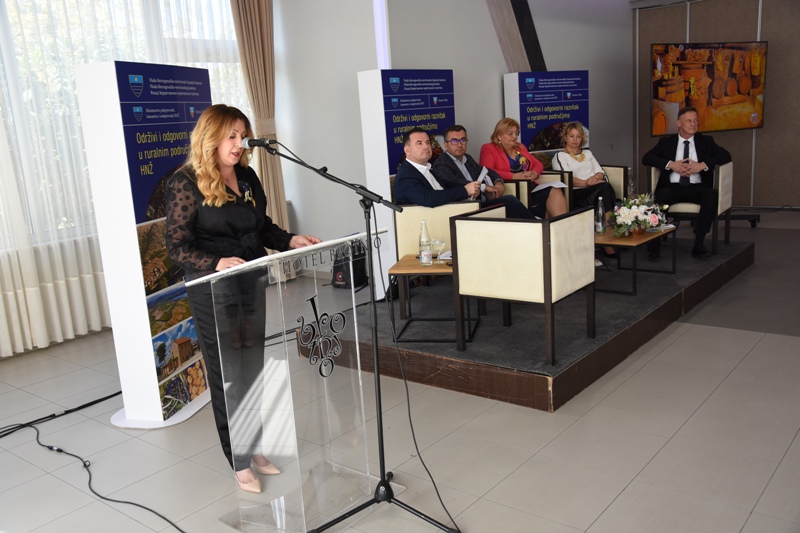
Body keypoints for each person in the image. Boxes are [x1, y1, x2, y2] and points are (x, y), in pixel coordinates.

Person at [165, 104, 321, 493]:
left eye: (243, 135)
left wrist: (289, 240)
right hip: (213, 288)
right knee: (228, 374)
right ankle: (238, 458)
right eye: (231, 136)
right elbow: (176, 247)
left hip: (250, 279)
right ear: (211, 137)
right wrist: (215, 262)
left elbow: (261, 227)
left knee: (251, 369)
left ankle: (255, 445)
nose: (239, 143)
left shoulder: (247, 177)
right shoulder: (186, 182)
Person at [642, 106, 731, 258]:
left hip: (696, 188)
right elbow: (646, 158)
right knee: (661, 196)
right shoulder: (666, 142)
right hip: (672, 188)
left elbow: (726, 155)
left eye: (695, 120)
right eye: (689, 121)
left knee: (711, 195)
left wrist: (701, 165)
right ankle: (654, 245)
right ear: (679, 123)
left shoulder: (706, 141)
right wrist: (671, 164)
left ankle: (699, 245)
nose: (693, 124)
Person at [429, 124, 535, 219]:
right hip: (464, 208)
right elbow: (454, 182)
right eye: (454, 141)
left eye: (463, 140)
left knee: (513, 205)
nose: (460, 145)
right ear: (446, 144)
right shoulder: (442, 162)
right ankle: (537, 226)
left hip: (480, 203)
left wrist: (498, 181)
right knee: (510, 201)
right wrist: (484, 187)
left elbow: (486, 170)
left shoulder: (467, 158)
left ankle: (534, 226)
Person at [552, 121, 618, 257]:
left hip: (595, 188)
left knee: (605, 188)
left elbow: (600, 173)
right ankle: (607, 239)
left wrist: (595, 178)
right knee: (604, 189)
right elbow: (566, 178)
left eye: (578, 136)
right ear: (565, 137)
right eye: (571, 136)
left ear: (582, 138)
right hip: (576, 193)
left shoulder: (588, 153)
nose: (575, 140)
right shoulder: (560, 156)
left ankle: (605, 236)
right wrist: (588, 183)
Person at [479, 117, 567, 219]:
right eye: (510, 133)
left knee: (555, 191)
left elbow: (538, 164)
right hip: (512, 192)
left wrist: (534, 172)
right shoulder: (489, 148)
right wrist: (513, 176)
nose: (514, 136)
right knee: (548, 208)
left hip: (531, 188)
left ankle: (560, 225)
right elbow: (487, 171)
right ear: (499, 135)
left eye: (516, 133)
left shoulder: (520, 147)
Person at [393, 127, 481, 206]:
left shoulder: (428, 169)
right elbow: (428, 198)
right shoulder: (405, 176)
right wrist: (465, 191)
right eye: (419, 143)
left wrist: (469, 186)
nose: (426, 147)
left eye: (428, 142)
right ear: (407, 150)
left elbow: (447, 184)